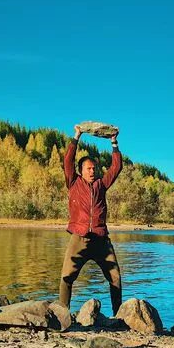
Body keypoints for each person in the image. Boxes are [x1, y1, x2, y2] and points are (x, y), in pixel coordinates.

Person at [59, 124, 123, 315]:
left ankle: (118, 315)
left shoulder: (101, 185)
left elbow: (116, 167)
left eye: (94, 168)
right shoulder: (73, 182)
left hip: (101, 240)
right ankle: (63, 314)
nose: (92, 171)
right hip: (79, 239)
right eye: (88, 168)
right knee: (66, 277)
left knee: (115, 278)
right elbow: (68, 160)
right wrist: (76, 136)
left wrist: (113, 142)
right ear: (81, 170)